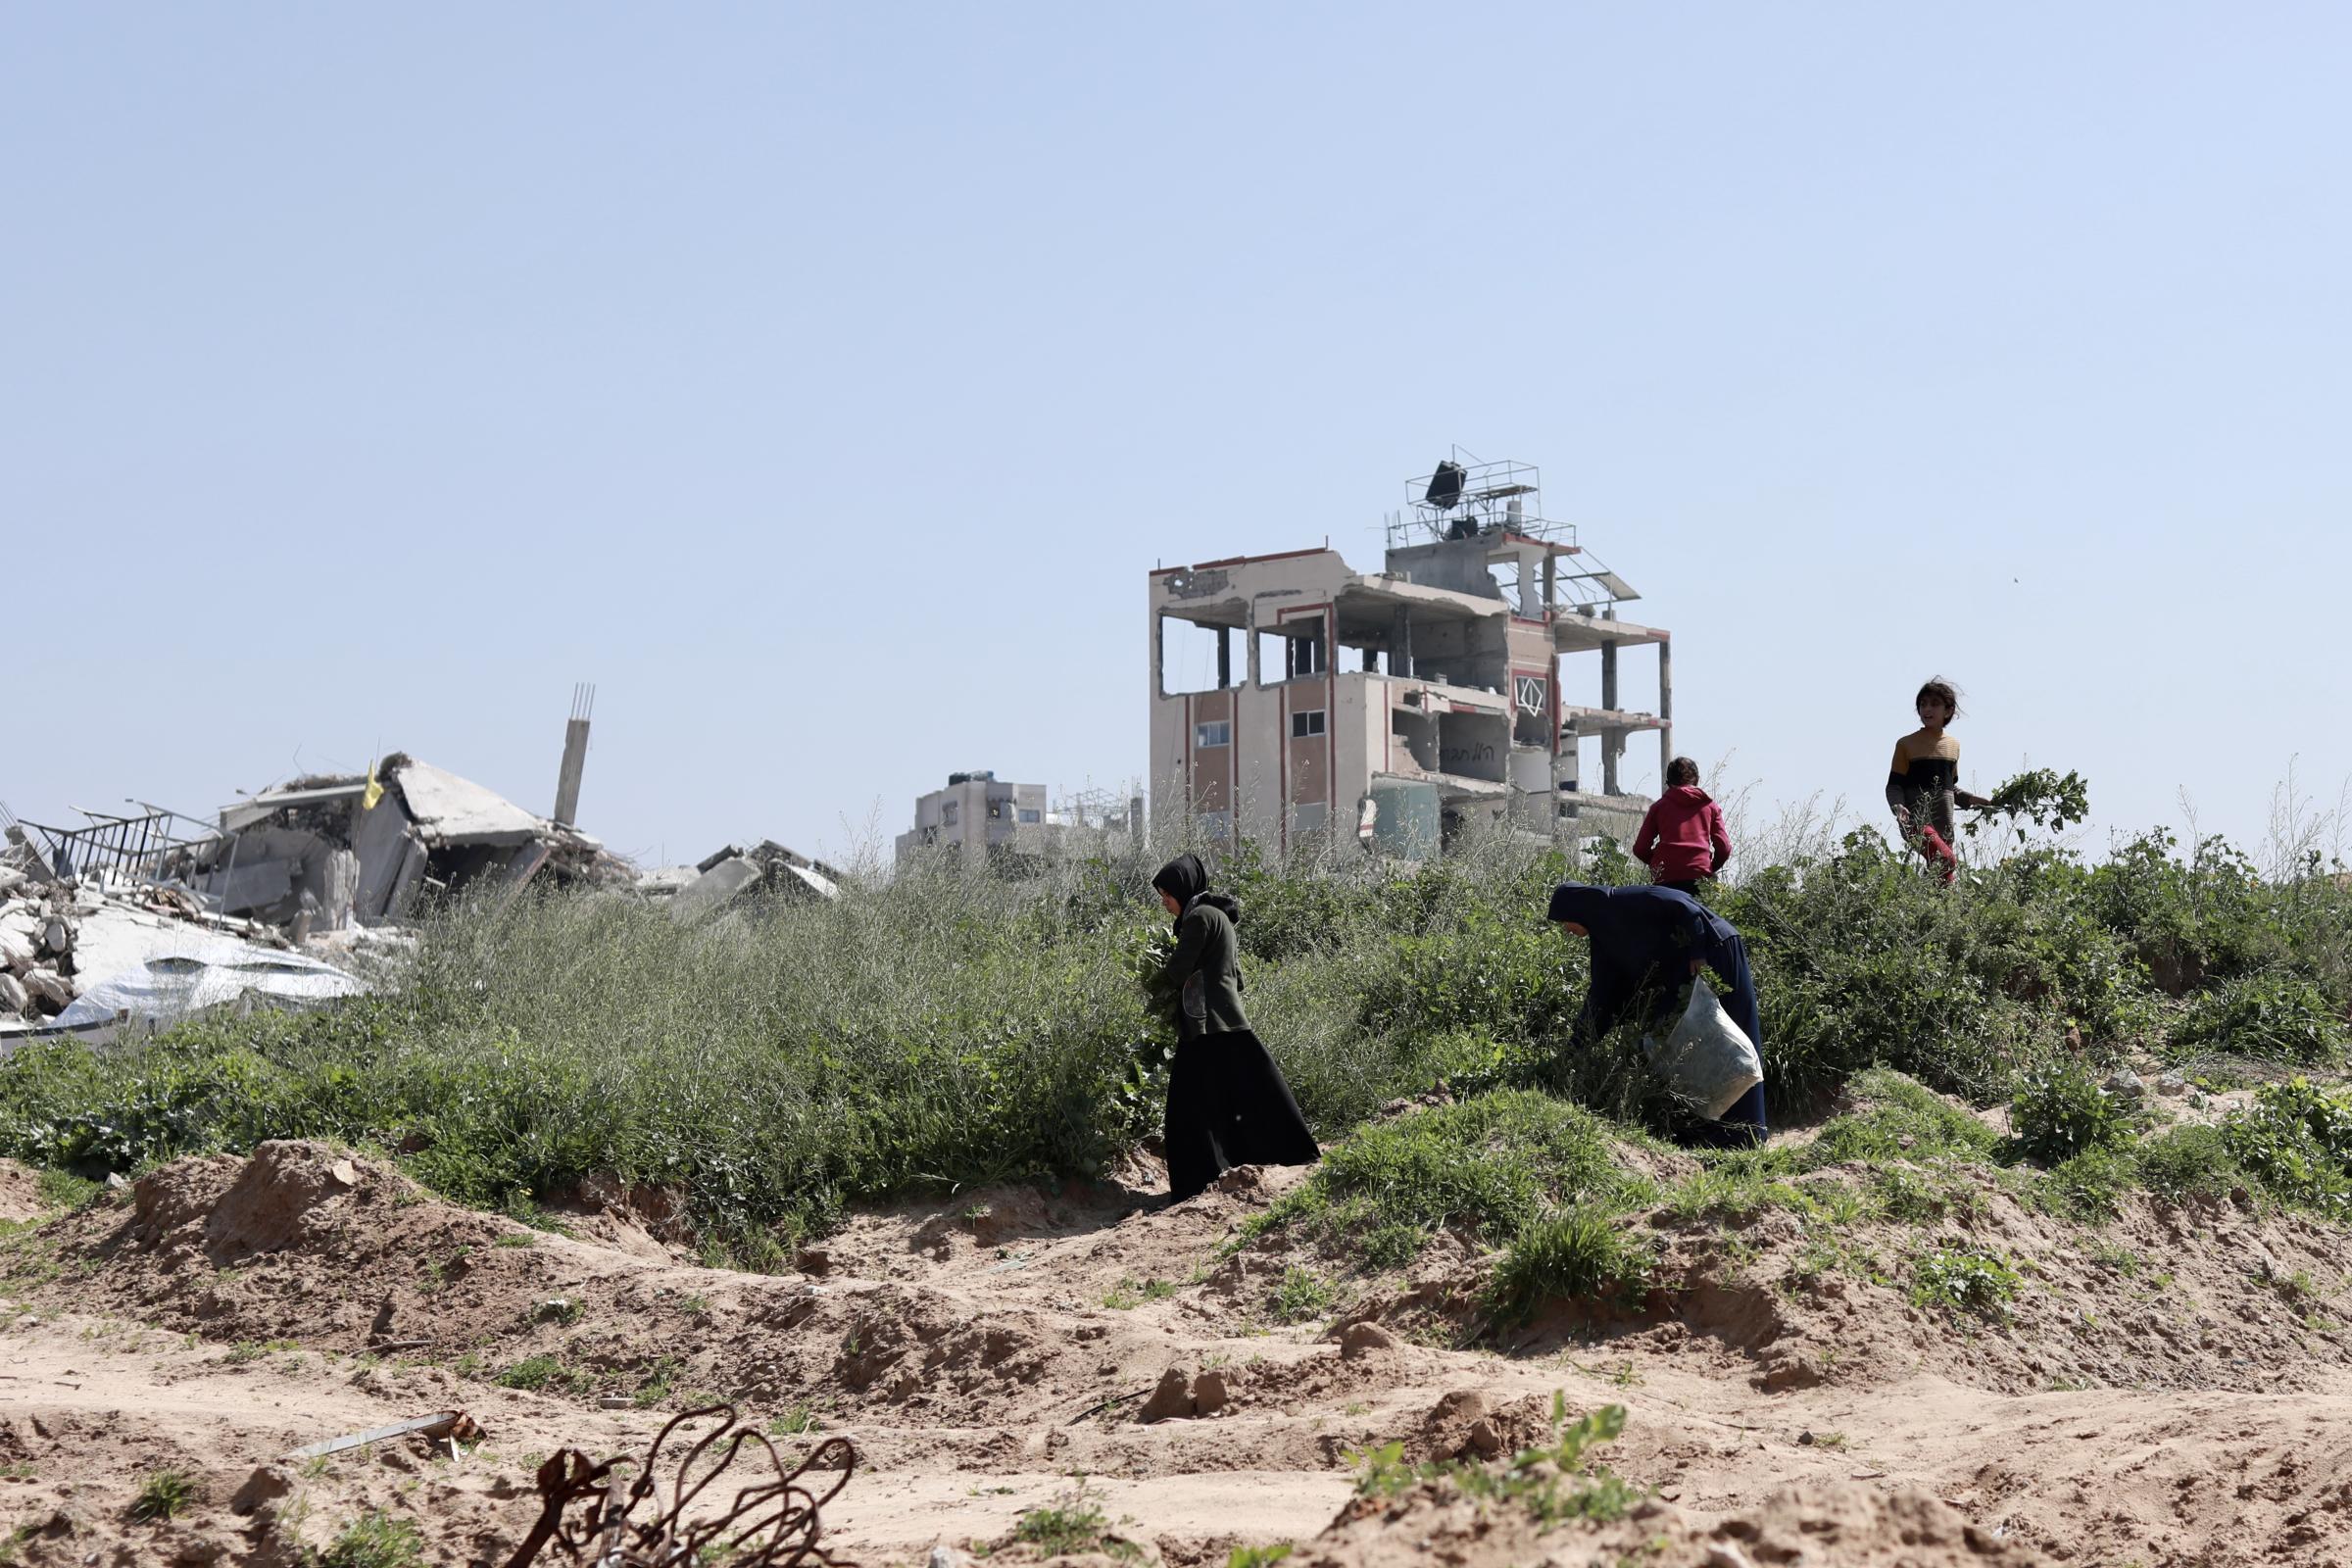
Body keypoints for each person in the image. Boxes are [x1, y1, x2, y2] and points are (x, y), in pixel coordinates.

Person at [1147, 854, 1321, 1202]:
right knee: (1249, 1093)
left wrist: (1151, 982)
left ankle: (1197, 1181)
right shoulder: (1220, 917)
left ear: (1184, 888)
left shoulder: (1197, 918)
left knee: (1190, 1108)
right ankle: (1292, 1152)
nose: (1164, 902)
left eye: (1166, 894)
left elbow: (1178, 971)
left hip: (1205, 1024)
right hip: (1228, 1019)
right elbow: (1237, 977)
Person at [1546, 881, 1767, 1149]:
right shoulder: (1605, 939)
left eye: (1565, 921)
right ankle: (1714, 1131)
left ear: (1579, 909)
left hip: (1715, 952)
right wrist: (1577, 1046)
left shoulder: (1629, 899)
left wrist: (1698, 951)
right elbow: (1601, 996)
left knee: (1731, 1040)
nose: (1566, 929)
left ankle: (1747, 1134)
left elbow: (1685, 905)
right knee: (1696, 1050)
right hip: (1688, 975)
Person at [1886, 677, 1990, 883]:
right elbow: (1894, 785)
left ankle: (1919, 906)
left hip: (1944, 827)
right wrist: (1898, 807)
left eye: (1934, 704)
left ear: (1948, 710)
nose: (1927, 709)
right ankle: (1915, 898)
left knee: (1944, 884)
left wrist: (1973, 800)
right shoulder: (1906, 744)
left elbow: (1950, 789)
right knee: (1946, 860)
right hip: (1917, 822)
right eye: (1923, 704)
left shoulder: (1953, 746)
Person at [1632, 758, 1733, 897]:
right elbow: (1724, 848)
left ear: (1668, 783)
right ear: (1697, 780)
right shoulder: (1710, 807)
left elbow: (1640, 848)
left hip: (1665, 880)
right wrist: (1708, 867)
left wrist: (1658, 865)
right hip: (1700, 878)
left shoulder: (1659, 808)